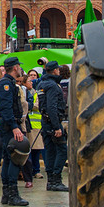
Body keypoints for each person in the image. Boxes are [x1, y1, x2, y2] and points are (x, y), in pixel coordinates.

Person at [0, 56, 29, 206]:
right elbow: (5, 107)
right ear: (15, 68)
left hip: (9, 124)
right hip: (9, 125)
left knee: (9, 159)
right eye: (19, 67)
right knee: (15, 158)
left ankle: (7, 194)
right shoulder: (5, 84)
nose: (20, 69)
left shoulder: (9, 83)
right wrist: (15, 127)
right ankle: (12, 194)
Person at [37, 61, 69, 191]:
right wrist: (56, 127)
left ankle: (50, 181)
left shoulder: (42, 84)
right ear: (55, 71)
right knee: (62, 150)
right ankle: (56, 179)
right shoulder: (53, 86)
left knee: (50, 150)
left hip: (45, 121)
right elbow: (51, 106)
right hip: (52, 122)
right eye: (58, 69)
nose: (59, 71)